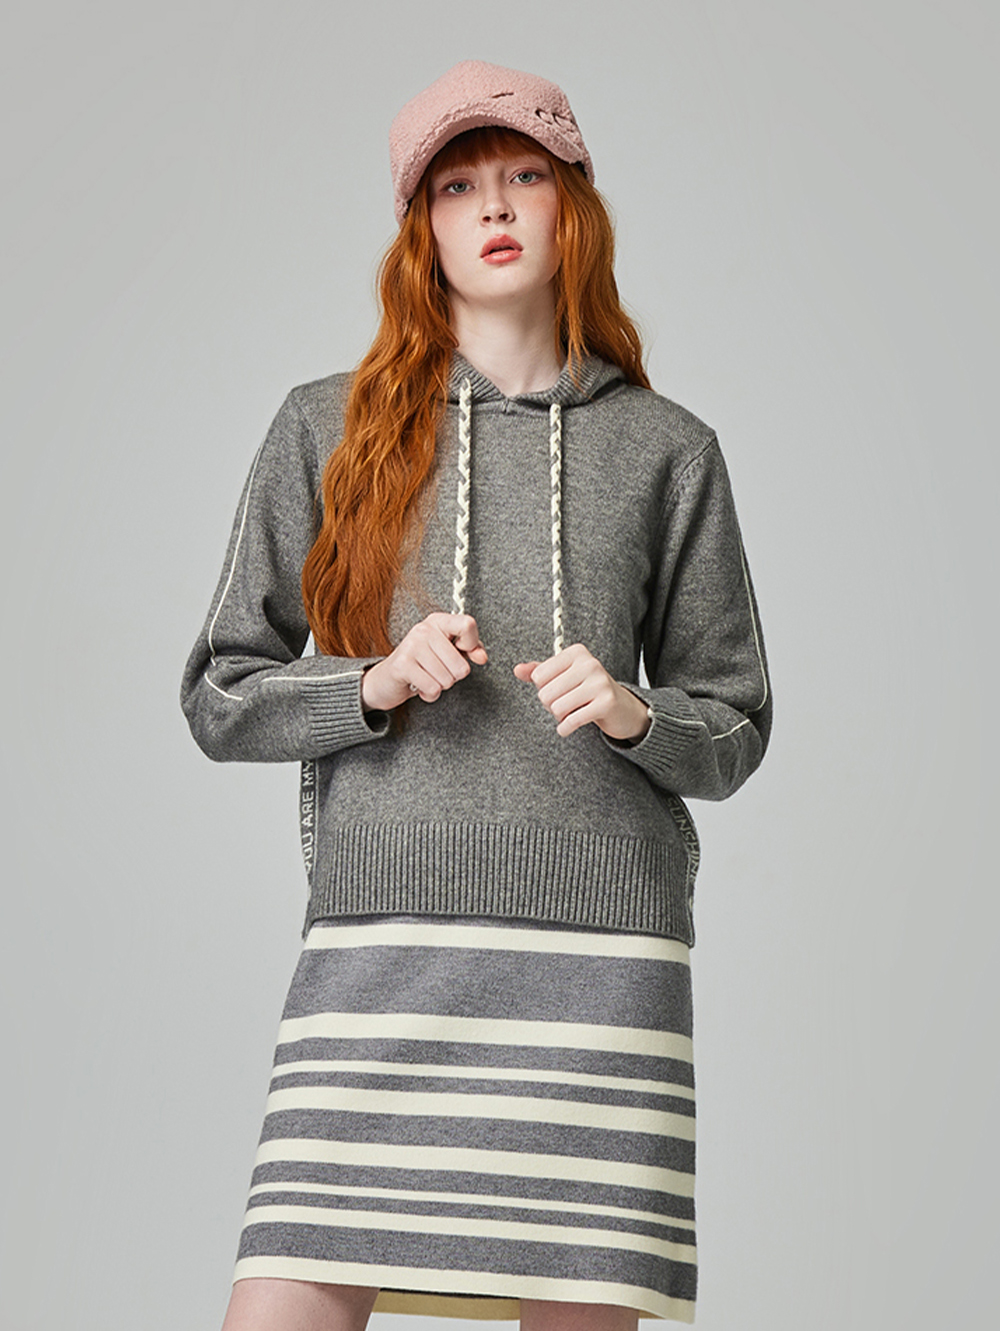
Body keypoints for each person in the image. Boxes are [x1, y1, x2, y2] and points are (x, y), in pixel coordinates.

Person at [181, 59, 772, 1331]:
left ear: (573, 208)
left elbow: (735, 722)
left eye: (523, 177)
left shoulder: (667, 449)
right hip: (382, 936)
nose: (493, 206)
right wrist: (375, 681)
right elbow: (220, 691)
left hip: (603, 957)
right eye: (457, 186)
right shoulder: (325, 427)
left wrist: (634, 711)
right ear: (422, 226)